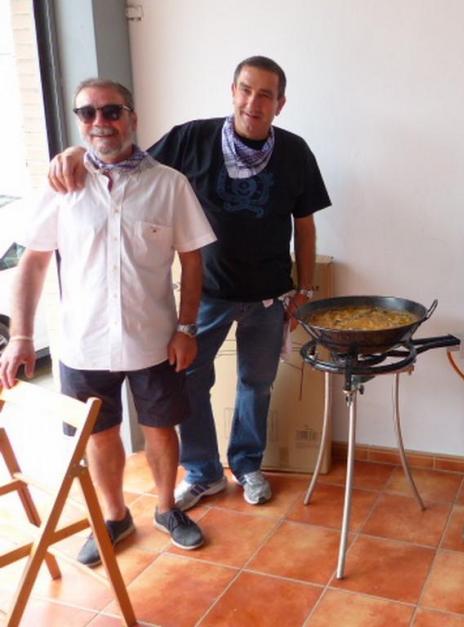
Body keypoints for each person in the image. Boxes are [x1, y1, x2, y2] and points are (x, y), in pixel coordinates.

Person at [48, 56, 331, 509]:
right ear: (233, 91)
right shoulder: (192, 138)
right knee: (191, 385)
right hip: (208, 296)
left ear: (280, 104)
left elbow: (306, 225)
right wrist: (77, 154)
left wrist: (305, 290)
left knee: (256, 385)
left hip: (269, 296)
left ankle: (247, 464)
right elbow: (125, 160)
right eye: (245, 89)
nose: (253, 102)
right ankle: (203, 473)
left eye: (265, 95)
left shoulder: (296, 152)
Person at [0, 79, 216, 566]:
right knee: (100, 434)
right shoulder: (63, 185)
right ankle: (115, 517)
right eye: (88, 113)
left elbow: (192, 261)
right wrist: (21, 336)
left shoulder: (169, 185)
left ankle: (167, 509)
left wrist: (187, 328)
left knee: (161, 427)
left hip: (154, 340)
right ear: (79, 121)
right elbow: (33, 263)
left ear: (132, 118)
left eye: (112, 111)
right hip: (83, 342)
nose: (100, 122)